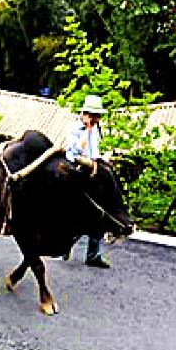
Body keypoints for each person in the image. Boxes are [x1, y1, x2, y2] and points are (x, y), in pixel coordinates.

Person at [65, 94, 111, 268]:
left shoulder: (96, 130)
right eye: (94, 115)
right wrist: (86, 129)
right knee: (75, 213)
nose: (97, 119)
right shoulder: (74, 129)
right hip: (75, 172)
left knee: (99, 213)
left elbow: (94, 153)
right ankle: (65, 246)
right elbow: (77, 150)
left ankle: (94, 255)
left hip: (92, 173)